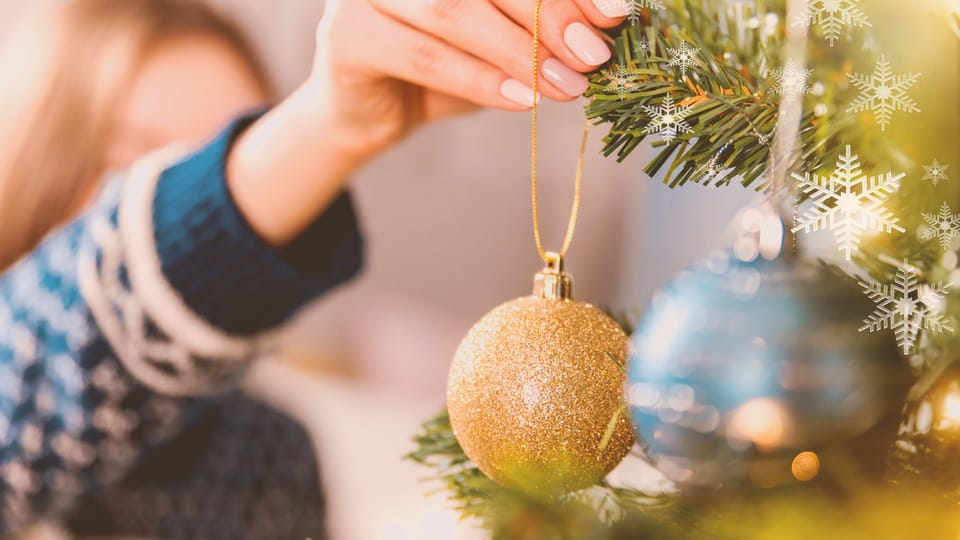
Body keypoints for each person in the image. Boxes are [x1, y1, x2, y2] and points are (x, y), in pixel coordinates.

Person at [0, 0, 628, 536]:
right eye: (144, 171)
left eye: (231, 152)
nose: (206, 193)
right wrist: (323, 128)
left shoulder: (261, 456)